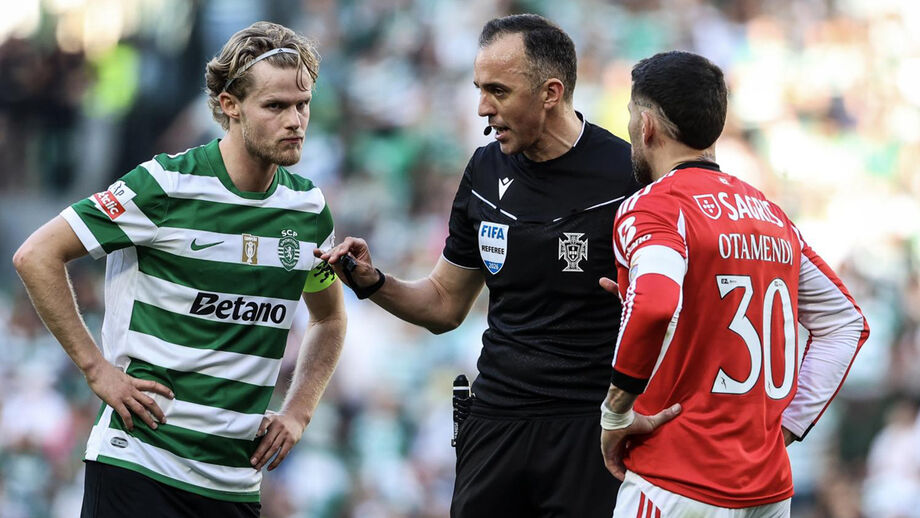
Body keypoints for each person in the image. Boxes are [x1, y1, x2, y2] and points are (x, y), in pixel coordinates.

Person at [12, 21, 346, 518]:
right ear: (230, 106)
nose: (295, 121)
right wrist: (96, 370)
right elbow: (36, 255)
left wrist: (299, 411)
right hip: (139, 464)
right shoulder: (165, 185)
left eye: (303, 104)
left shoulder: (308, 210)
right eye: (275, 106)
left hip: (234, 483)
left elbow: (329, 318)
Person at [316, 13, 639, 518]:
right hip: (495, 421)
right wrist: (373, 282)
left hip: (587, 426)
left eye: (498, 91)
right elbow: (445, 304)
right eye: (479, 89)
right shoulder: (485, 170)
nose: (483, 107)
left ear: (551, 93)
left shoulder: (628, 176)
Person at [598, 50, 870, 518]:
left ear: (646, 125)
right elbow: (845, 323)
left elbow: (657, 303)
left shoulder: (654, 206)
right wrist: (785, 427)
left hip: (675, 479)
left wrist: (615, 413)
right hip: (767, 489)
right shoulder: (771, 215)